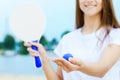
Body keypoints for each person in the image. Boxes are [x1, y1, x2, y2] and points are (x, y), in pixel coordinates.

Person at [24, 0, 120, 80]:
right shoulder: (67, 39)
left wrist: (79, 67)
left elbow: (102, 69)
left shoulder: (116, 35)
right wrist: (44, 58)